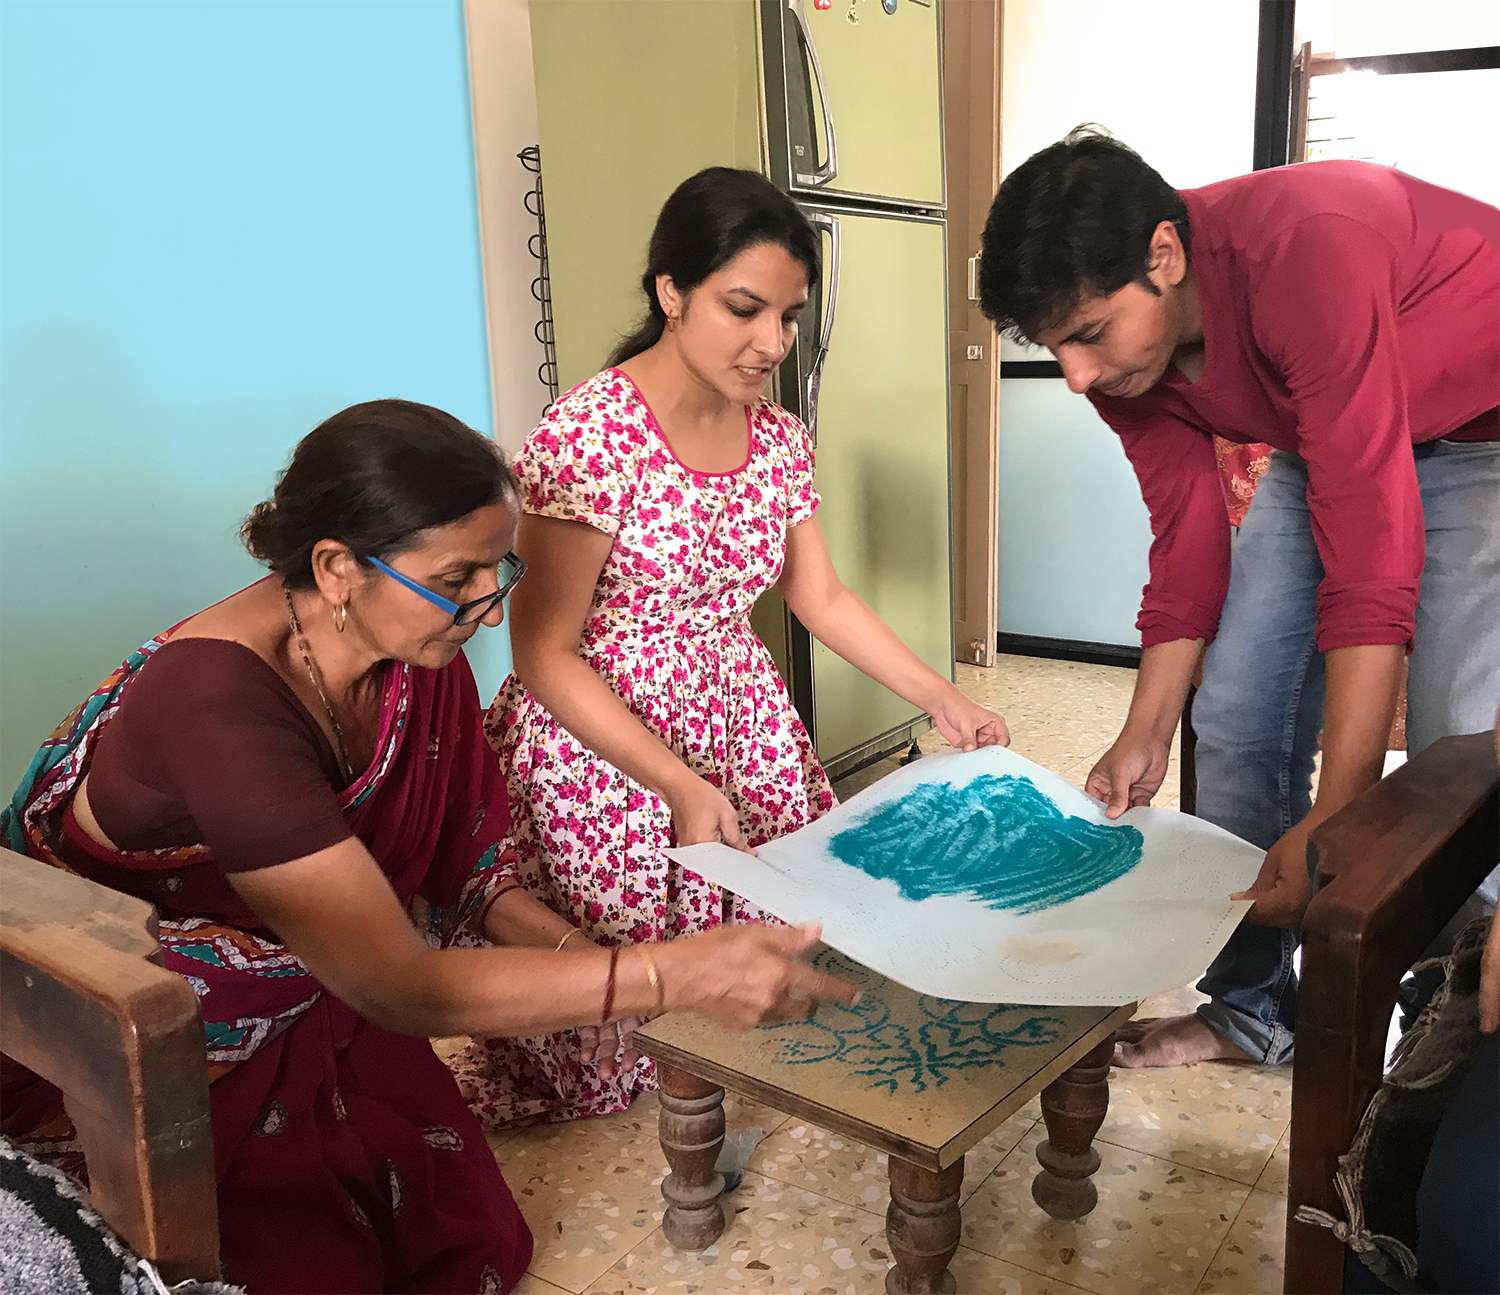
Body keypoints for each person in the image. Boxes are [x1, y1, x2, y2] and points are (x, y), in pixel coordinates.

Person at [0, 400, 857, 1294]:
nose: (487, 611)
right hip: (151, 998)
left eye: (500, 567)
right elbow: (398, 983)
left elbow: (465, 875)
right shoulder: (215, 701)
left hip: (322, 968)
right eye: (457, 578)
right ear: (336, 568)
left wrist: (584, 964)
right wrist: (671, 974)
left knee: (469, 1231)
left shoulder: (412, 657)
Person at [457, 167, 1007, 1127]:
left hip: (738, 714)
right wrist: (671, 780)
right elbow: (542, 654)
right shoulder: (588, 436)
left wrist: (939, 696)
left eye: (789, 316)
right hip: (606, 741)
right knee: (635, 1004)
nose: (773, 343)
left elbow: (819, 594)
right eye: (744, 308)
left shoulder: (780, 438)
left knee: (776, 956)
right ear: (671, 292)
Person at [977, 127, 1499, 1068]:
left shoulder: (1309, 251)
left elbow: (1371, 563)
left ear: (1165, 258)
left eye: (1088, 334)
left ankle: (1450, 1020)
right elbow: (1185, 543)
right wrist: (1144, 728)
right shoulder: (1123, 363)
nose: (1078, 374)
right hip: (1320, 427)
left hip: (1482, 429)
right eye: (1058, 346)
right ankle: (1252, 1005)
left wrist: (1335, 824)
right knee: (1235, 708)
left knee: (1456, 740)